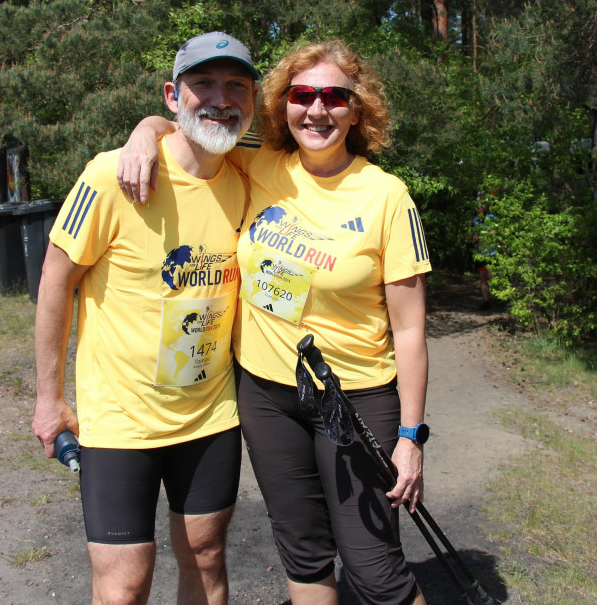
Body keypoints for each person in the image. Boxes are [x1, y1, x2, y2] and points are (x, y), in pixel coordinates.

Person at [118, 40, 433, 605]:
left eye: (334, 97)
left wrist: (410, 437)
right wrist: (145, 130)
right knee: (304, 553)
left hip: (354, 397)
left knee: (374, 569)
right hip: (266, 397)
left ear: (357, 110)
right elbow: (194, 122)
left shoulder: (388, 196)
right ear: (284, 105)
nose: (317, 110)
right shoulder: (257, 160)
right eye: (303, 95)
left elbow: (410, 330)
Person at [32, 32, 257, 605]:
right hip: (118, 422)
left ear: (252, 100)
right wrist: (48, 397)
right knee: (124, 583)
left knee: (206, 560)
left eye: (236, 85)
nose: (219, 97)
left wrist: (149, 126)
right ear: (172, 94)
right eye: (202, 83)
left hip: (209, 419)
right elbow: (56, 279)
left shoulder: (249, 176)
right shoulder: (111, 176)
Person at [471, 204, 497, 311]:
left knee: (491, 276)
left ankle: (498, 296)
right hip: (480, 254)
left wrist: (481, 236)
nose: (478, 209)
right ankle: (486, 301)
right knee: (483, 278)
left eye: (481, 207)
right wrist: (473, 239)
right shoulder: (475, 220)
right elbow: (472, 235)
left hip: (491, 253)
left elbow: (494, 232)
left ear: (485, 208)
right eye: (477, 207)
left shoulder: (491, 217)